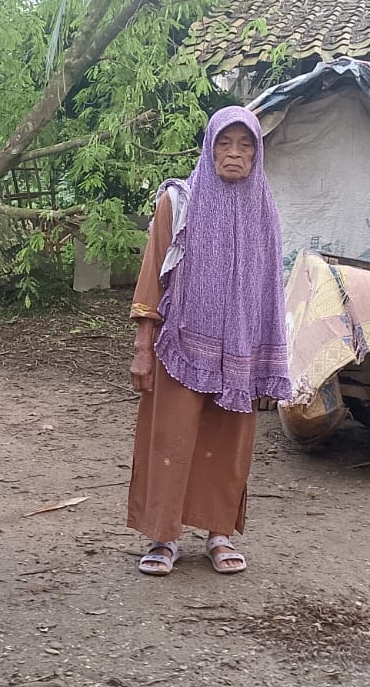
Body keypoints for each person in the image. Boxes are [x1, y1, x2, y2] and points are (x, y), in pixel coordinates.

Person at [126, 106, 292, 576]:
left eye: (245, 145)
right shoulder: (178, 201)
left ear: (256, 153)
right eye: (225, 143)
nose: (234, 153)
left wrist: (266, 360)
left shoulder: (263, 209)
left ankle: (218, 533)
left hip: (238, 352)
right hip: (180, 344)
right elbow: (152, 273)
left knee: (228, 444)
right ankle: (162, 535)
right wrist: (143, 345)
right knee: (170, 439)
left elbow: (268, 288)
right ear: (209, 146)